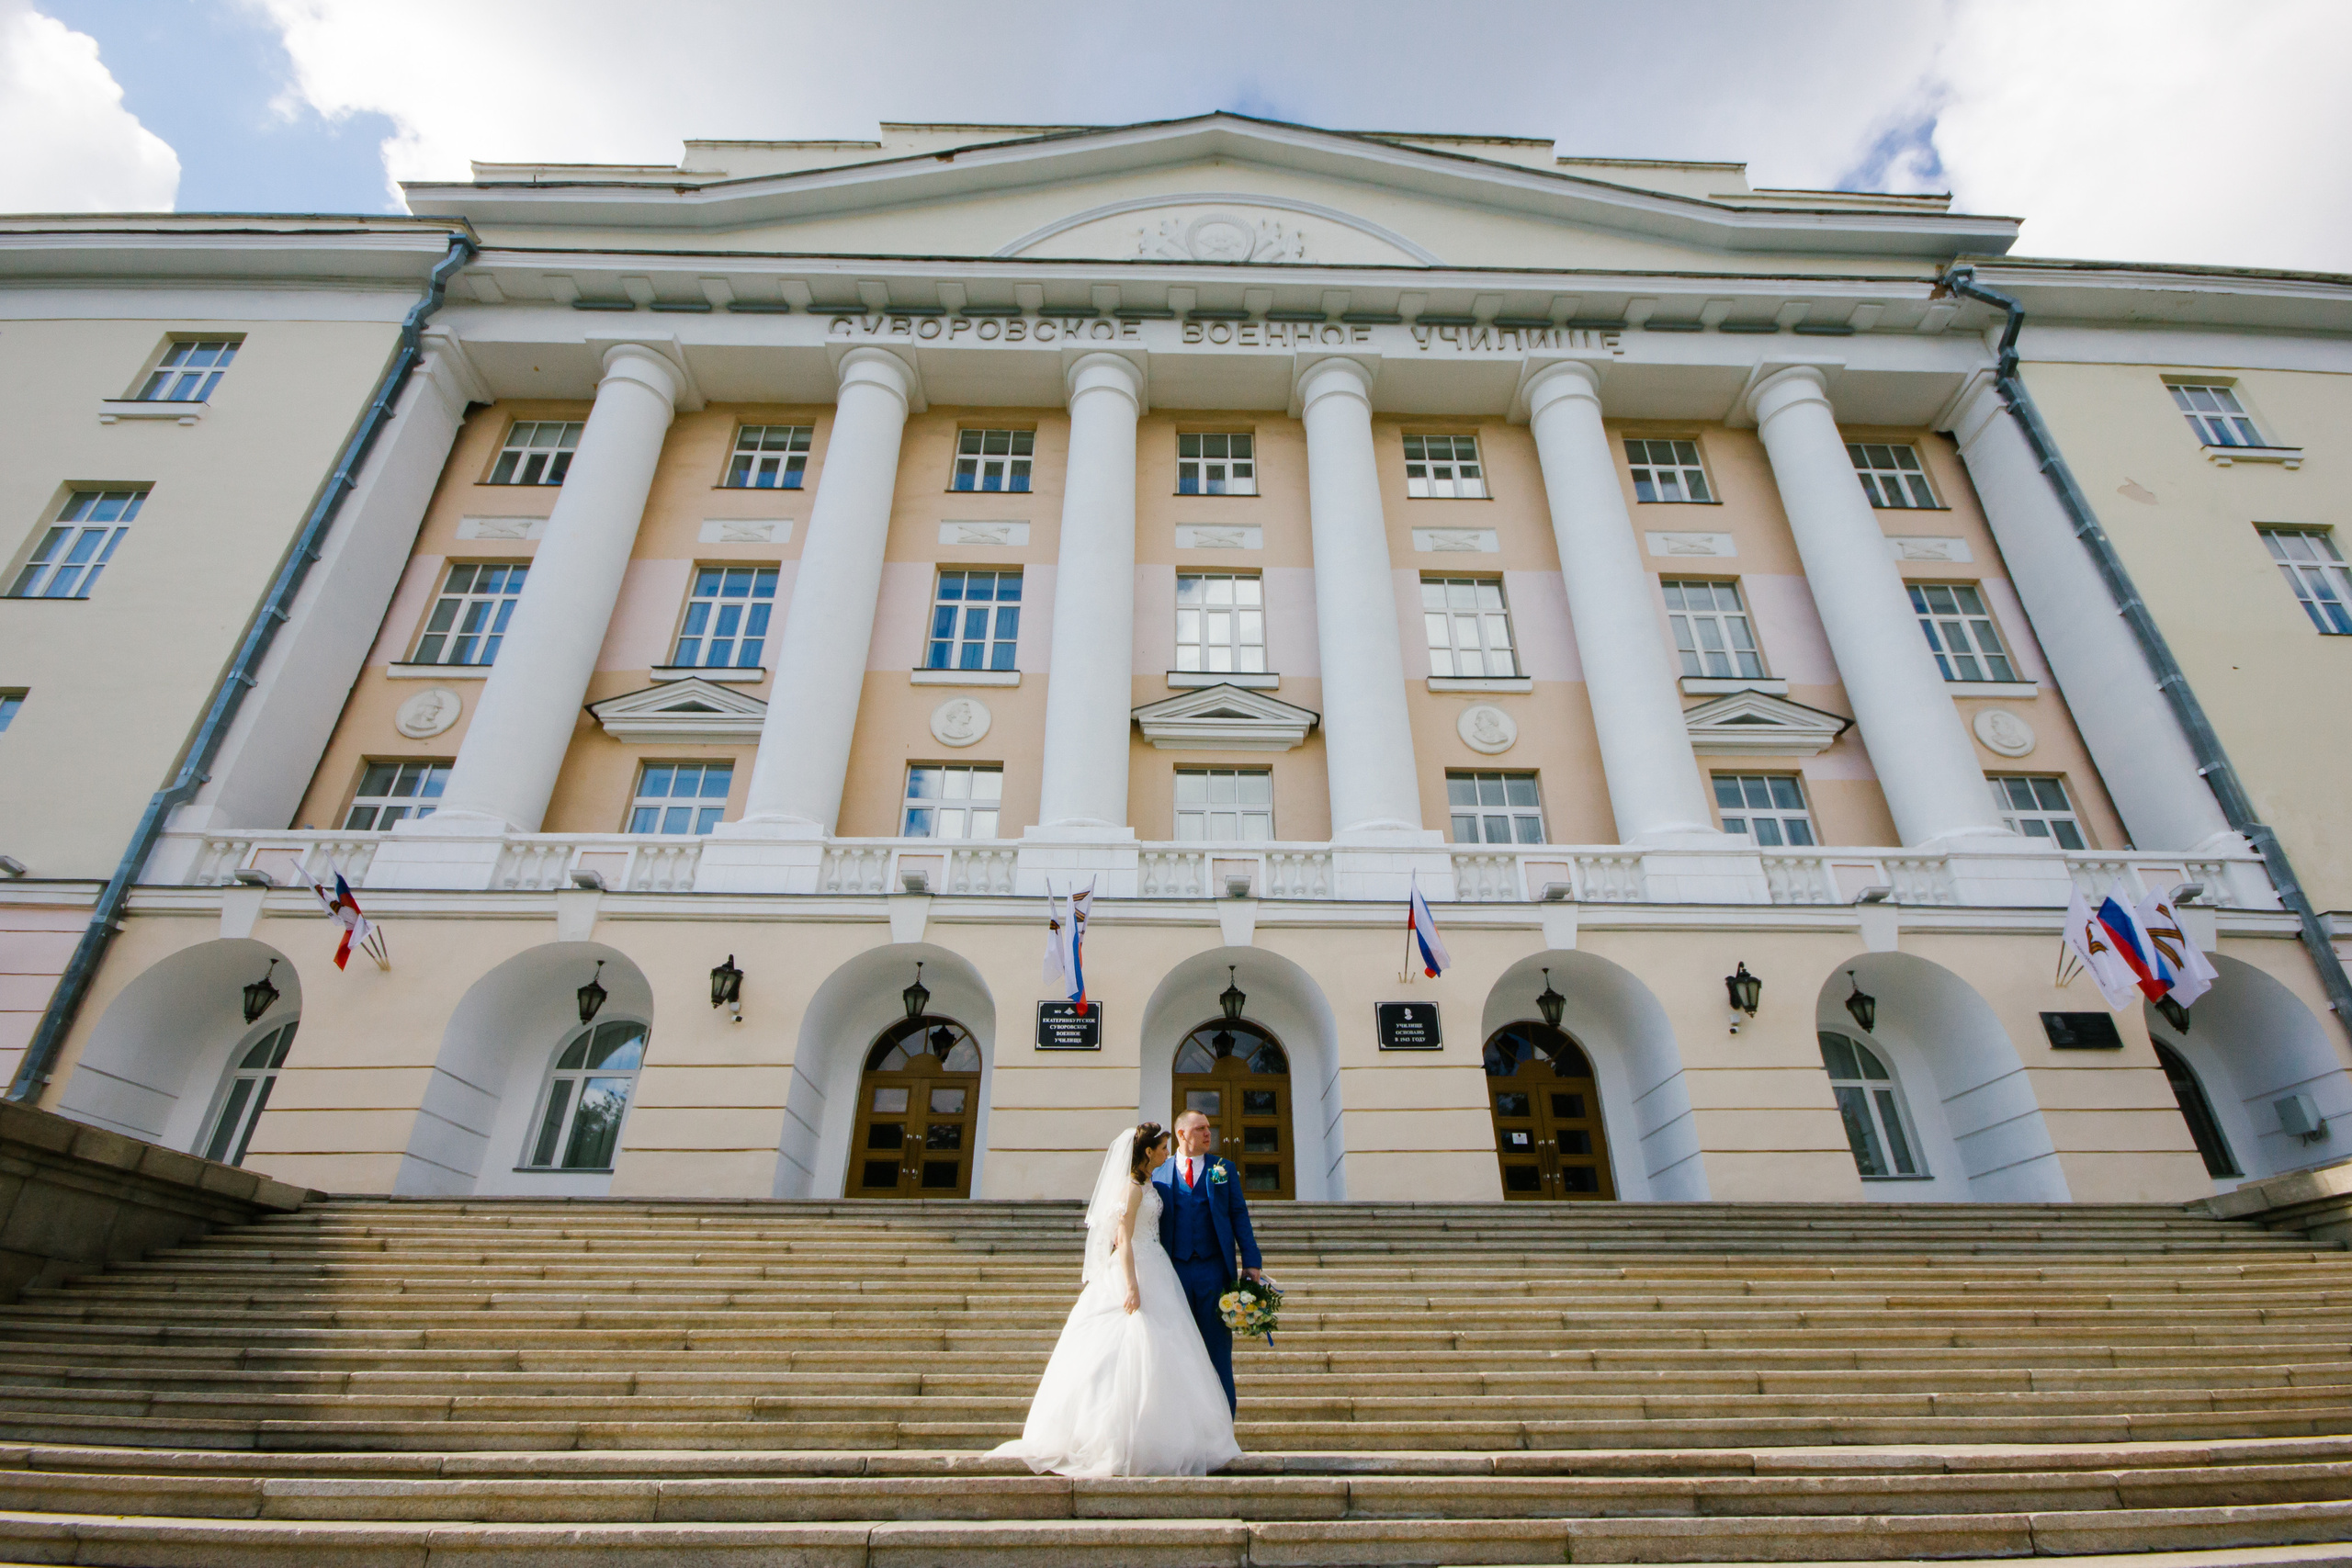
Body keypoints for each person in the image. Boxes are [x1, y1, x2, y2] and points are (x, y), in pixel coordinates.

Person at [992, 1122, 1242, 1477]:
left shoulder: (1148, 1183)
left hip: (1157, 1266)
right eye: (1162, 1148)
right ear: (1147, 1152)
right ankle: (1120, 1442)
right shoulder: (1132, 1188)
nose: (1166, 1153)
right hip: (1137, 1269)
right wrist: (1131, 1285)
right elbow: (1122, 1239)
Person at [1155, 1107, 1265, 1416]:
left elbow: (1238, 1215)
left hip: (1213, 1272)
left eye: (1208, 1128)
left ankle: (1224, 1430)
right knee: (1174, 1353)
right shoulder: (1159, 1172)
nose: (1208, 1134)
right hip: (1172, 1272)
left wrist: (1252, 1261)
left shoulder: (1223, 1168)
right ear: (1181, 1135)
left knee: (1218, 1353)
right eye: (1201, 1128)